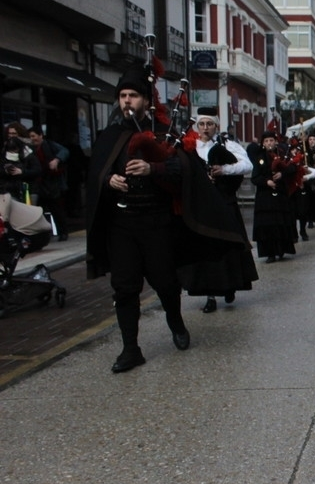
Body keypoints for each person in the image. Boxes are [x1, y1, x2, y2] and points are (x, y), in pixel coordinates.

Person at [85, 65, 191, 373]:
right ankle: (130, 349)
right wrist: (109, 182)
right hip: (122, 224)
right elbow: (95, 176)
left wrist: (152, 169)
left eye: (133, 95)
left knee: (166, 283)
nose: (127, 101)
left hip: (156, 221)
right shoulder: (110, 136)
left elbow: (183, 170)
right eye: (122, 96)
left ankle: (176, 321)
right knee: (125, 288)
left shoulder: (163, 133)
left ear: (146, 100)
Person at [181, 113, 257, 313]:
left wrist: (224, 170)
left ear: (216, 126)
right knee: (206, 248)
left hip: (224, 200)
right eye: (202, 124)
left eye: (209, 124)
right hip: (202, 204)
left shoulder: (227, 145)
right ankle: (210, 295)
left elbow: (247, 165)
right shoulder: (190, 146)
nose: (205, 128)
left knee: (229, 245)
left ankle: (230, 285)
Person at [250, 131, 299, 263]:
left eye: (271, 140)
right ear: (263, 143)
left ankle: (281, 249)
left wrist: (282, 175)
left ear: (275, 141)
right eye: (266, 141)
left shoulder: (282, 154)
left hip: (280, 195)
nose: (269, 143)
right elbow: (254, 177)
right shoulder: (259, 157)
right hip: (265, 197)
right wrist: (266, 182)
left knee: (280, 222)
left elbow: (293, 168)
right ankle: (269, 252)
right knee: (267, 224)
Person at [26, 126, 70, 240]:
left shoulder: (50, 145)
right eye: (30, 137)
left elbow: (65, 151)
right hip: (38, 184)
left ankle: (62, 232)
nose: (32, 139)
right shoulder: (29, 149)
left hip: (51, 184)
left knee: (56, 209)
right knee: (38, 210)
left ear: (40, 135)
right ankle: (42, 235)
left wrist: (56, 160)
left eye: (33, 136)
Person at [2, 123, 41, 202]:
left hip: (28, 190)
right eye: (9, 134)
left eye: (14, 133)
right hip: (10, 191)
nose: (11, 136)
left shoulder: (28, 151)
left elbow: (37, 170)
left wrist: (22, 172)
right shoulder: (4, 149)